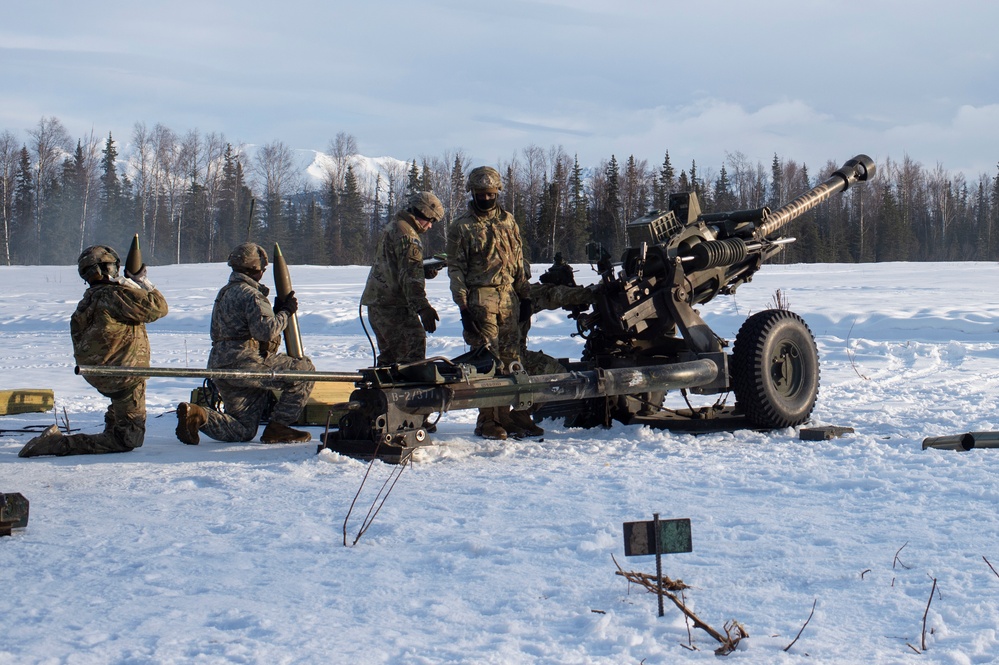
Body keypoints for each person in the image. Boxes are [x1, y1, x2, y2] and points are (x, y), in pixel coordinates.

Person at [19, 246, 168, 458]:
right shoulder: (114, 296)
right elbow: (158, 307)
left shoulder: (87, 301)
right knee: (128, 439)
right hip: (124, 378)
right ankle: (56, 444)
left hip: (105, 377)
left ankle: (114, 423)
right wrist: (140, 282)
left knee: (121, 415)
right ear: (107, 268)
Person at [174, 242, 314, 445]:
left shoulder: (225, 293)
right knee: (304, 371)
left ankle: (198, 415)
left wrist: (273, 313)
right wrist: (286, 312)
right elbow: (266, 332)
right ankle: (278, 427)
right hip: (247, 362)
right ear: (256, 270)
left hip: (220, 365)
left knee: (243, 428)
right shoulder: (252, 295)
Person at [446, 166, 534, 440]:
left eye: (490, 193)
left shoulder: (509, 221)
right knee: (487, 362)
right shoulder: (462, 226)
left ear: (498, 192)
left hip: (508, 296)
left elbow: (518, 261)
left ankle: (509, 417)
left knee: (512, 358)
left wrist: (526, 295)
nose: (486, 199)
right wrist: (463, 307)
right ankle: (486, 421)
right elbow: (456, 269)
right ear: (472, 194)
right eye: (480, 194)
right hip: (480, 298)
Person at [361, 191, 445, 367]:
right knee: (411, 358)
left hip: (379, 304)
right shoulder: (408, 236)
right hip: (394, 307)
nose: (430, 226)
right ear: (423, 213)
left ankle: (379, 393)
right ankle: (404, 395)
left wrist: (421, 268)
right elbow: (410, 278)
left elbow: (395, 266)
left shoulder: (394, 226)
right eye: (431, 221)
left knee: (390, 359)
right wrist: (423, 308)